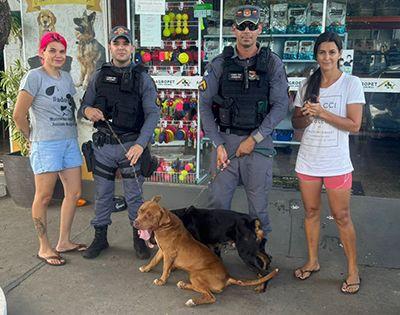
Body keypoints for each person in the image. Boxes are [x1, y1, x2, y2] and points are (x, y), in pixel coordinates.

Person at [199, 5, 289, 246]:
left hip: (258, 146)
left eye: (252, 26)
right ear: (234, 30)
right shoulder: (220, 64)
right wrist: (217, 144)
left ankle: (259, 257)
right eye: (241, 27)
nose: (246, 31)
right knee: (217, 205)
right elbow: (204, 106)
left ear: (259, 29)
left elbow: (281, 106)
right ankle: (213, 258)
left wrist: (255, 138)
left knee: (258, 208)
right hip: (225, 143)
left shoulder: (272, 64)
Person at [291, 32, 365, 294]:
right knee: (311, 213)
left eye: (332, 52)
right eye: (322, 52)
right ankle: (313, 261)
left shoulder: (351, 84)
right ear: (316, 55)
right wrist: (307, 117)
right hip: (308, 161)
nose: (327, 57)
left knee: (342, 217)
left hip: (337, 164)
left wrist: (323, 112)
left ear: (340, 55)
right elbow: (296, 123)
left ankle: (353, 270)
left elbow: (354, 125)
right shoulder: (306, 85)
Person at [78, 26, 160, 260]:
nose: (121, 47)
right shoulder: (98, 75)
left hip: (131, 147)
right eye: (117, 43)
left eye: (126, 43)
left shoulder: (142, 78)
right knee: (103, 196)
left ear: (132, 48)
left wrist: (140, 145)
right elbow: (83, 107)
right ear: (111, 47)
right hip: (103, 148)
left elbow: (153, 114)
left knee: (134, 198)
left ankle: (140, 240)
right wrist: (89, 110)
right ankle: (100, 238)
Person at [13, 32, 86, 266]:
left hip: (69, 141)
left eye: (61, 51)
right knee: (43, 197)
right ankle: (44, 247)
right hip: (46, 144)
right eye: (52, 50)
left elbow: (70, 108)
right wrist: (31, 138)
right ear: (41, 53)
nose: (57, 55)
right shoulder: (34, 77)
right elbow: (18, 115)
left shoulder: (66, 78)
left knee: (73, 193)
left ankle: (63, 241)